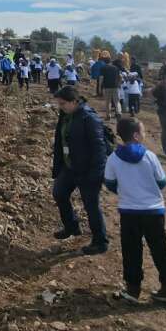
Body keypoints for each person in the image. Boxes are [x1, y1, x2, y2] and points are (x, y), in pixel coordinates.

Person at [106, 117, 166, 304]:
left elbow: (110, 184)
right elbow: (162, 182)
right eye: (144, 131)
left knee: (131, 250)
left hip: (129, 211)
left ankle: (132, 289)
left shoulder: (113, 158)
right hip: (153, 211)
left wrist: (126, 190)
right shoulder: (149, 156)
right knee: (160, 249)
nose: (145, 134)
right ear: (137, 136)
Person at [51, 86, 111, 255]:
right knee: (59, 193)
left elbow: (99, 150)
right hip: (70, 167)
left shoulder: (89, 118)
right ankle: (71, 226)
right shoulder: (66, 115)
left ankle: (100, 242)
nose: (60, 107)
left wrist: (95, 175)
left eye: (63, 104)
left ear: (74, 102)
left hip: (87, 171)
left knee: (91, 206)